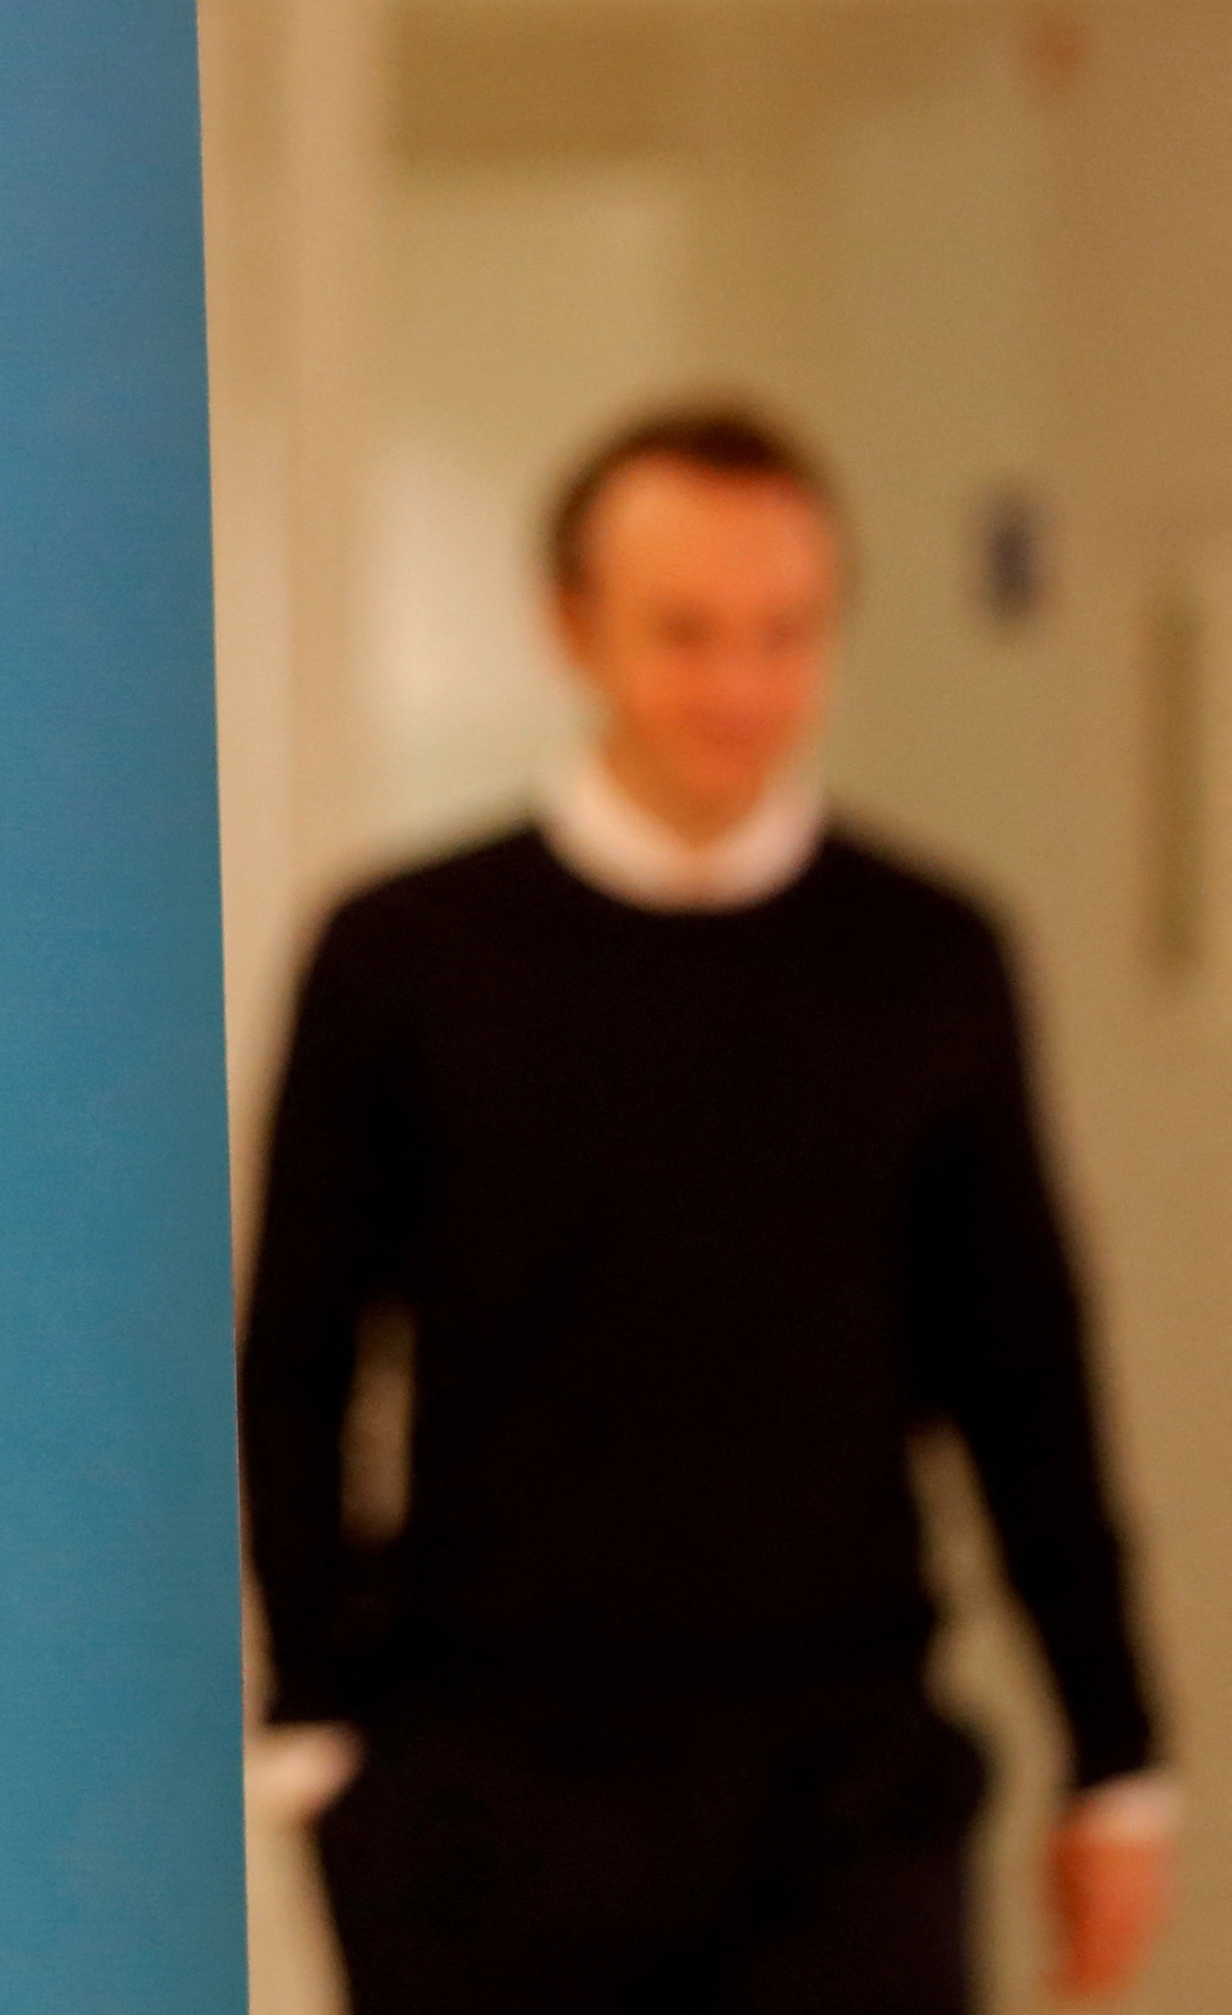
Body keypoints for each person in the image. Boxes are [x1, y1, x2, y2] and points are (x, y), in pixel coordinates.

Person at [240, 403, 1176, 2012]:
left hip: (839, 1790)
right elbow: (299, 1349)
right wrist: (312, 1729)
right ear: (570, 627)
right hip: (486, 1793)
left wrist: (1117, 1753)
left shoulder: (926, 957)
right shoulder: (404, 956)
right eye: (684, 633)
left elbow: (1024, 1375)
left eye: (783, 634)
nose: (737, 686)